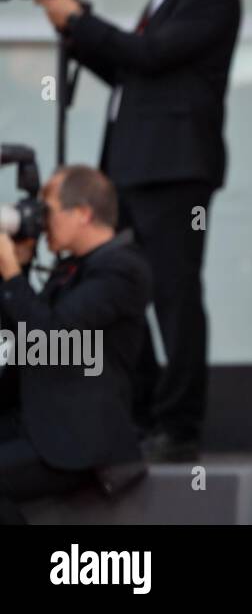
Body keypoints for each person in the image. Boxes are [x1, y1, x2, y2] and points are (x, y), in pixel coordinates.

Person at [33, 0, 242, 462]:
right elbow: (133, 72)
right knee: (127, 287)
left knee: (174, 296)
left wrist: (81, 20)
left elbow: (148, 57)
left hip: (174, 174)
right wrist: (73, 30)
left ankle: (179, 426)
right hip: (133, 170)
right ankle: (146, 411)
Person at [0, 165, 153, 525]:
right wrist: (11, 272)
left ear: (83, 213)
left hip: (76, 437)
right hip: (36, 421)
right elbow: (25, 340)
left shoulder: (122, 270)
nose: (39, 222)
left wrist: (13, 276)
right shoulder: (71, 271)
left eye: (47, 211)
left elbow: (51, 338)